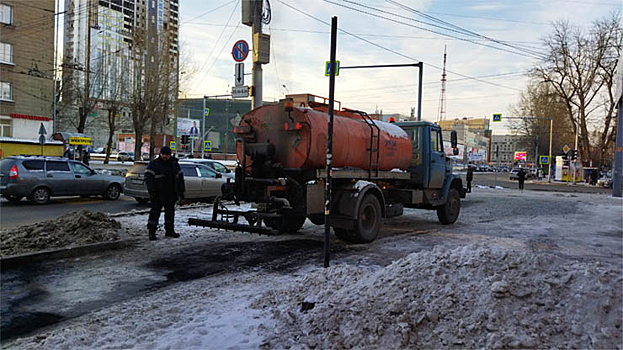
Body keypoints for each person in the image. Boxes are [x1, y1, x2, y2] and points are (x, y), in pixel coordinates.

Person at [145, 146, 185, 241]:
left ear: (169, 155)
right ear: (160, 154)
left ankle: (169, 230)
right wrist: (152, 191)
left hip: (171, 194)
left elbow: (180, 179)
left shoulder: (174, 164)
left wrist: (181, 192)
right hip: (158, 194)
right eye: (163, 154)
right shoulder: (154, 164)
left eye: (167, 155)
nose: (165, 156)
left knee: (170, 213)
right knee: (154, 214)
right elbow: (148, 179)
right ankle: (152, 232)